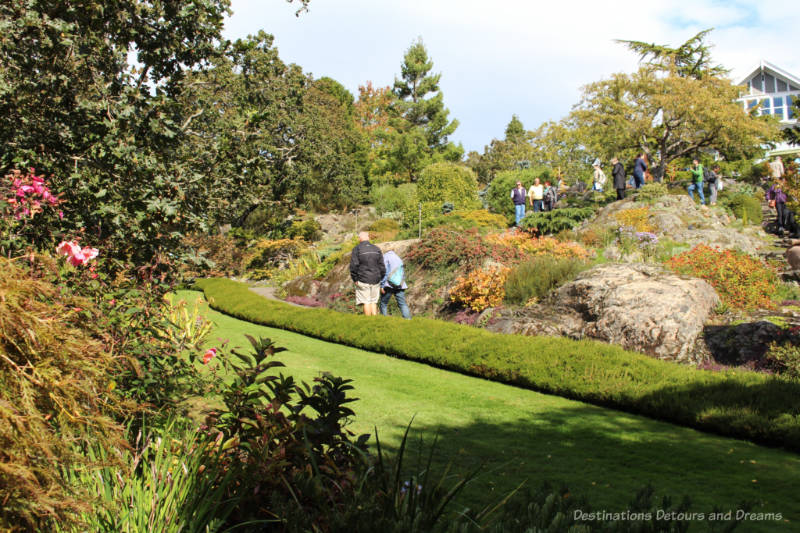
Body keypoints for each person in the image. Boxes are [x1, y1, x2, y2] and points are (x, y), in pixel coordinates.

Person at [349, 231, 385, 316]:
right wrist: (381, 277)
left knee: (366, 302)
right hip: (376, 279)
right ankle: (375, 321)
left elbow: (354, 266)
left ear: (359, 238)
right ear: (368, 238)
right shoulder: (376, 248)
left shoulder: (357, 249)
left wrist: (355, 279)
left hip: (363, 279)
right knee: (374, 302)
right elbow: (382, 266)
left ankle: (368, 322)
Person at [379, 250, 411, 319]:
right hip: (400, 284)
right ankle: (408, 320)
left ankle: (383, 320)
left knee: (383, 303)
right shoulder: (398, 258)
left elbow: (385, 272)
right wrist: (401, 282)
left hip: (388, 284)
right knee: (402, 304)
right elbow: (402, 273)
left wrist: (382, 285)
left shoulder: (385, 257)